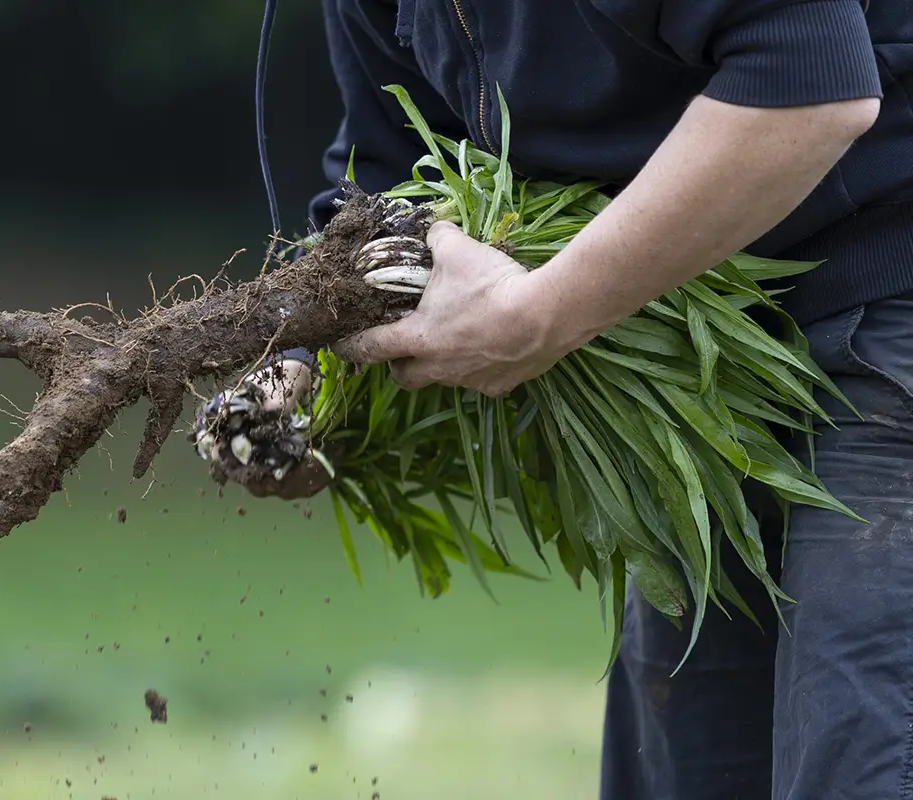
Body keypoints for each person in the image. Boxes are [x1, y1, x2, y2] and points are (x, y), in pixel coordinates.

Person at [203, 2, 913, 797]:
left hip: (886, 293)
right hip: (688, 355)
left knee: (861, 756)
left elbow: (811, 83)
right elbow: (392, 166)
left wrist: (539, 314)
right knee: (687, 768)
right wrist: (296, 355)